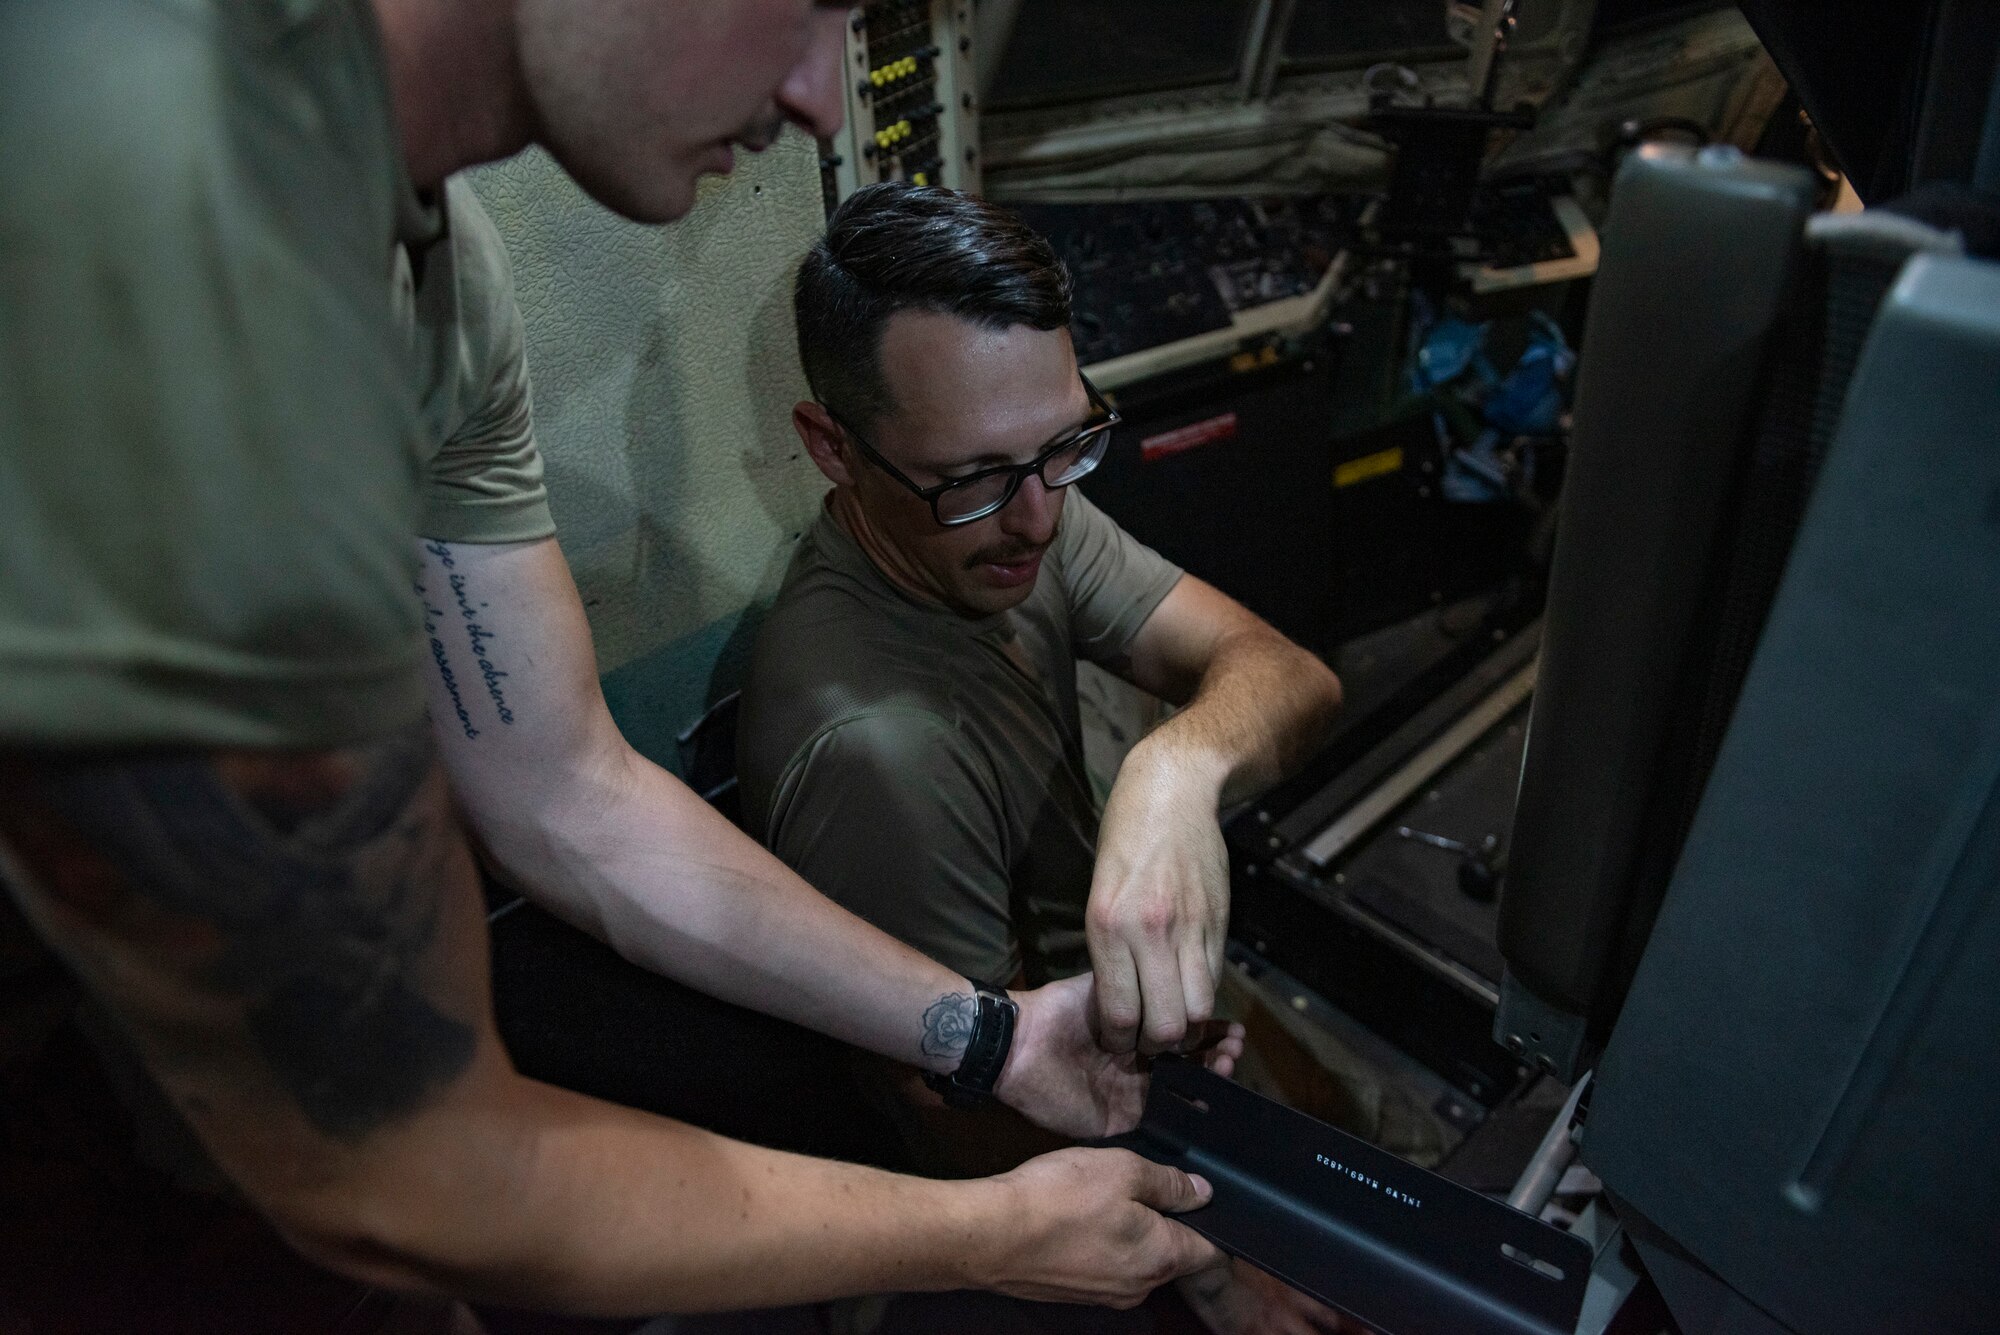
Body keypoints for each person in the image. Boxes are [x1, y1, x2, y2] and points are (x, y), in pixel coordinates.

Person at [0, 0, 1239, 1319]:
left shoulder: (433, 272)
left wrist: (991, 1036)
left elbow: (563, 788)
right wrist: (983, 1230)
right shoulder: (163, 215)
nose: (826, 97)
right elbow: (411, 1170)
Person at [736, 183, 1350, 1333]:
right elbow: (970, 1136)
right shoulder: (875, 754)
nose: (1035, 521)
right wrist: (1212, 1270)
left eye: (1063, 445)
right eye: (972, 478)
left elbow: (1291, 679)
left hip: (1140, 1054)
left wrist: (1175, 774)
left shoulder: (1007, 510)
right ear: (833, 447)